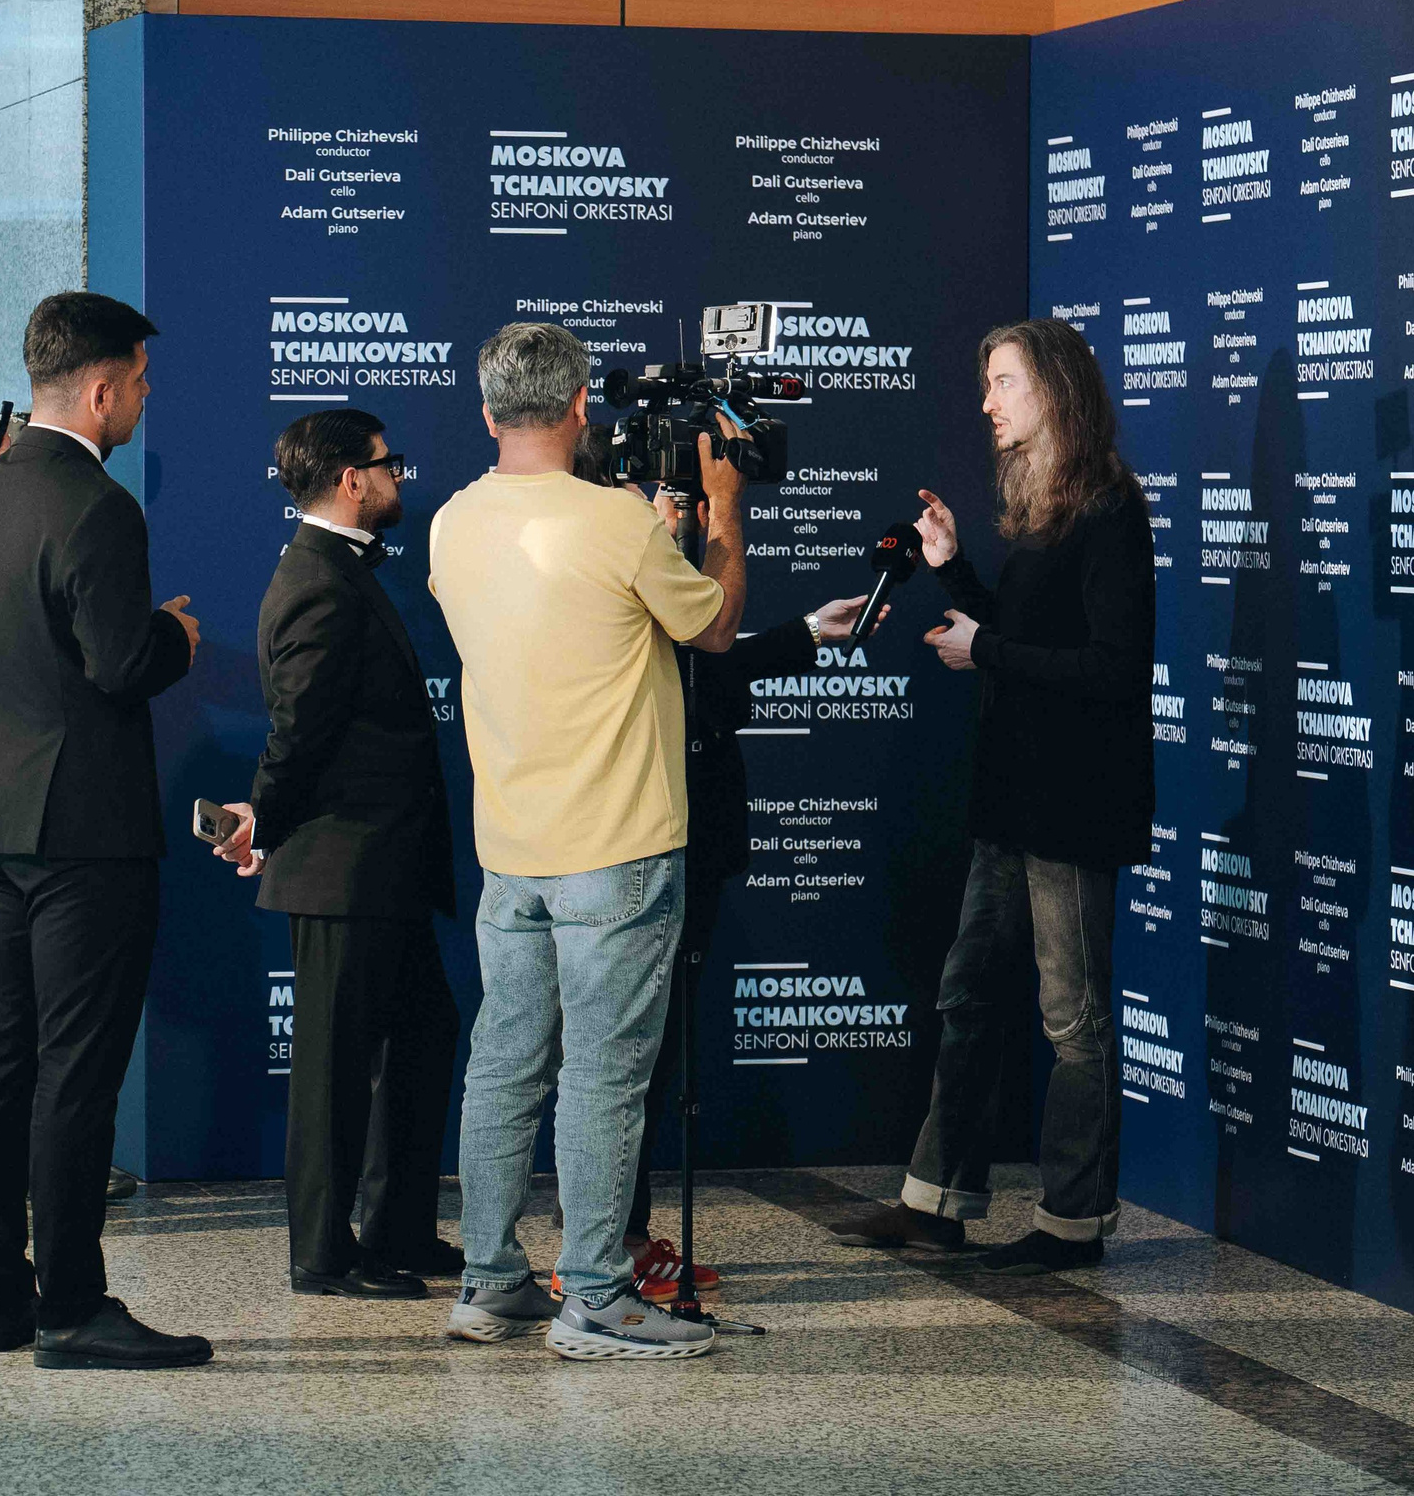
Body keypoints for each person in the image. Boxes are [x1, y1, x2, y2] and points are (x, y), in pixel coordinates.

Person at [427, 322, 747, 1362]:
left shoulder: (452, 522)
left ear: (486, 415)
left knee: (503, 1066)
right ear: (578, 410)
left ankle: (487, 1282)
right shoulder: (617, 525)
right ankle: (598, 1301)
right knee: (605, 1078)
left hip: (510, 846)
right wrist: (722, 519)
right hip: (616, 844)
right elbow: (710, 627)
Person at [827, 317, 1153, 1275]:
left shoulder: (1110, 508)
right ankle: (936, 1201)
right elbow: (1023, 632)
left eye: (1003, 381)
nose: (986, 402)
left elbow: (1110, 667)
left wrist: (987, 649)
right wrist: (952, 570)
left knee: (1074, 1016)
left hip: (1072, 806)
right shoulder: (1045, 507)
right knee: (969, 991)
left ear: (1053, 389)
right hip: (1011, 802)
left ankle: (1072, 1222)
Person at [0, 290, 210, 1370]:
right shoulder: (98, 507)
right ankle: (72, 1307)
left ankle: (0, 1296)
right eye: (138, 381)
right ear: (98, 388)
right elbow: (120, 664)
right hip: (83, 829)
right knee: (76, 1072)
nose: (142, 397)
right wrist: (175, 636)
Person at [563, 425, 888, 1297]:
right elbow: (699, 646)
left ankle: (613, 1238)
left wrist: (805, 635)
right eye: (666, 492)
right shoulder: (608, 553)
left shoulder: (618, 551)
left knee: (646, 1050)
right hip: (647, 834)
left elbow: (701, 666)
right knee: (625, 1052)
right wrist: (725, 521)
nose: (680, 506)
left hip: (679, 834)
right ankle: (598, 1252)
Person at [208, 410, 462, 1299]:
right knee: (332, 1069)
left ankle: (396, 1226)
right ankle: (320, 1252)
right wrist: (263, 822)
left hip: (380, 865)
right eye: (390, 464)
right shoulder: (319, 579)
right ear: (353, 479)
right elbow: (300, 732)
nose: (401, 477)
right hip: (342, 867)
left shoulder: (331, 570)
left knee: (425, 1036)